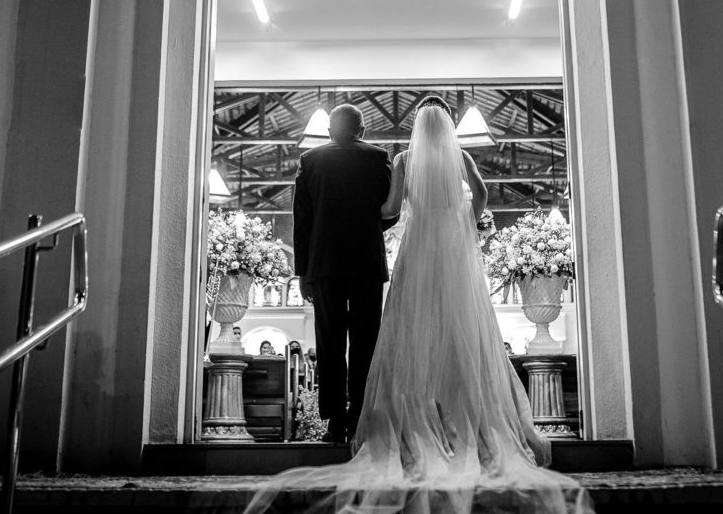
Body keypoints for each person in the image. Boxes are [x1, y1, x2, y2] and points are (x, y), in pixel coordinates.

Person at [245, 97, 591, 514]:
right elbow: (478, 195)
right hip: (439, 254)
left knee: (398, 338)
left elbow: (385, 209)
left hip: (390, 254)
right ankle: (451, 420)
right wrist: (462, 222)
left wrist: (346, 228)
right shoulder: (446, 156)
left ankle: (347, 422)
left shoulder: (398, 158)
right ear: (447, 124)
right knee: (450, 337)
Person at [292, 103, 395, 444]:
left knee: (329, 343)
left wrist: (303, 273)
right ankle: (360, 418)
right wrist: (369, 223)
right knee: (365, 342)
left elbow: (302, 220)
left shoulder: (311, 161)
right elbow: (390, 211)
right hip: (366, 263)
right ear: (362, 130)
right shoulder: (378, 157)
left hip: (324, 266)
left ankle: (335, 422)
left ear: (329, 131)